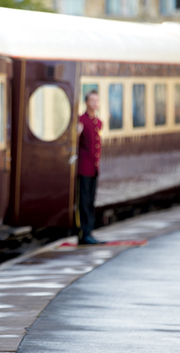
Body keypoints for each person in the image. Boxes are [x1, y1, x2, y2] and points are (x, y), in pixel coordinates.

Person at [76, 89, 104, 245]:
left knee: (91, 202)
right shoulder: (81, 121)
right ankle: (84, 233)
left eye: (97, 101)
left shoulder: (98, 123)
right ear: (86, 102)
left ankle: (89, 232)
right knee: (84, 202)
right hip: (84, 168)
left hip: (94, 168)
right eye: (92, 100)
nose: (95, 104)